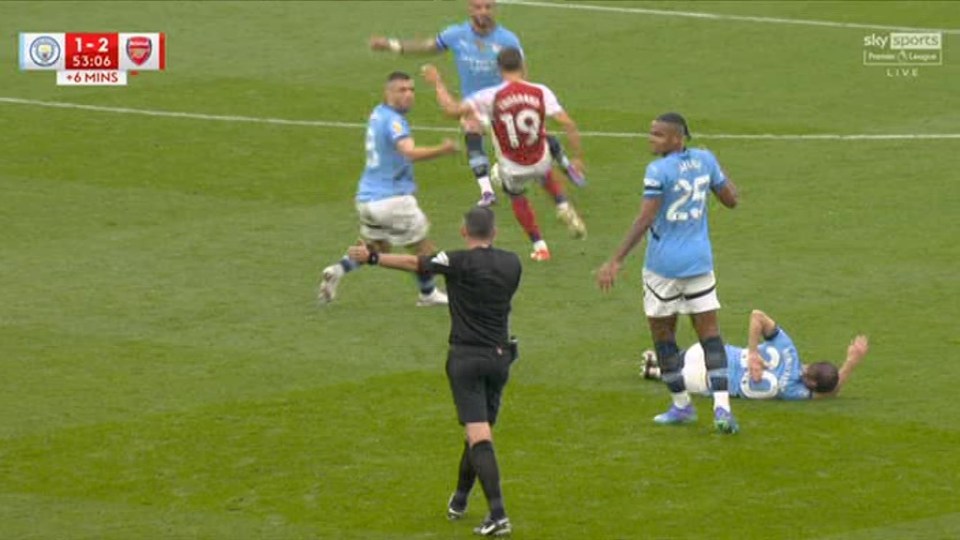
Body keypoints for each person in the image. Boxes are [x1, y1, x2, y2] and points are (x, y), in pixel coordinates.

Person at [346, 206, 521, 537]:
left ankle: (498, 515)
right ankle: (459, 499)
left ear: (463, 231)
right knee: (478, 431)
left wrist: (370, 258)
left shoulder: (456, 261)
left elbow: (416, 263)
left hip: (467, 359)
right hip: (500, 357)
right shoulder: (513, 263)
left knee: (478, 434)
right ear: (495, 233)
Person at [596, 112, 741, 434]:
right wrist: (711, 172)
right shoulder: (705, 158)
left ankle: (682, 407)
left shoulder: (658, 170)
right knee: (710, 335)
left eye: (659, 135)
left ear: (678, 138)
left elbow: (645, 218)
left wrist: (616, 259)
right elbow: (731, 200)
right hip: (700, 261)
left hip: (663, 267)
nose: (652, 139)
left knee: (663, 336)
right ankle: (722, 409)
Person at [369, 0, 586, 210]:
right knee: (472, 131)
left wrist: (521, 99)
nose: (483, 11)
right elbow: (426, 46)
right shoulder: (455, 34)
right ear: (469, 8)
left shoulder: (508, 39)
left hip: (504, 102)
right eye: (478, 6)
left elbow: (522, 73)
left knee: (533, 135)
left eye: (488, 7)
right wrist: (391, 45)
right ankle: (487, 191)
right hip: (475, 104)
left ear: (495, 9)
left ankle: (566, 165)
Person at [422, 47, 586, 261]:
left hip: (513, 166)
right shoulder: (541, 91)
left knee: (512, 191)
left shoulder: (490, 96)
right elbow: (568, 123)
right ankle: (563, 205)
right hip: (541, 157)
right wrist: (577, 157)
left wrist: (437, 83)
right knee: (544, 167)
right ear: (523, 66)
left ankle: (540, 246)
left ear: (499, 69)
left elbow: (451, 110)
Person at [318, 71, 457, 307]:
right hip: (392, 200)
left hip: (366, 200)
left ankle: (338, 270)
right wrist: (442, 150)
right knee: (426, 252)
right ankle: (429, 294)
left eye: (412, 90)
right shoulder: (394, 121)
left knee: (378, 247)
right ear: (388, 92)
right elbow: (409, 152)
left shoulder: (377, 114)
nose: (409, 95)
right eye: (402, 90)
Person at [641, 310, 870, 400]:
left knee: (685, 358)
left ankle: (662, 364)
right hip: (706, 382)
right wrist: (851, 363)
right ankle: (658, 371)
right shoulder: (794, 391)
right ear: (811, 384)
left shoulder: (788, 349)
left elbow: (756, 316)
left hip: (710, 353)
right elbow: (830, 394)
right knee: (686, 378)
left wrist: (752, 353)